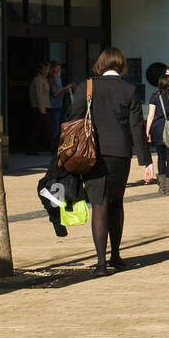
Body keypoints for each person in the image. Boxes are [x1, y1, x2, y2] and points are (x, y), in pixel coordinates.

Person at [66, 47, 154, 276]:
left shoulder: (87, 87)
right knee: (116, 202)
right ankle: (116, 255)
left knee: (99, 204)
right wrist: (146, 162)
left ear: (101, 64)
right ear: (121, 64)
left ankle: (101, 262)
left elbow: (72, 119)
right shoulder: (129, 90)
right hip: (120, 154)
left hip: (92, 153)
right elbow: (137, 127)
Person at [28, 61, 52, 154]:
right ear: (40, 70)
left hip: (45, 106)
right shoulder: (38, 80)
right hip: (39, 108)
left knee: (39, 129)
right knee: (47, 128)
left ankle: (32, 147)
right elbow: (39, 96)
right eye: (45, 69)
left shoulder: (44, 79)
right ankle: (53, 149)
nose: (47, 71)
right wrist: (42, 111)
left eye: (48, 69)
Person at [49, 62, 73, 147]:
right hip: (54, 106)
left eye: (59, 68)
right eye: (57, 68)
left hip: (61, 105)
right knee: (56, 129)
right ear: (52, 69)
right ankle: (54, 147)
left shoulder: (59, 78)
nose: (59, 70)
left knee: (63, 126)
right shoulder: (52, 79)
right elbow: (55, 94)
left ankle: (62, 145)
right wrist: (65, 88)